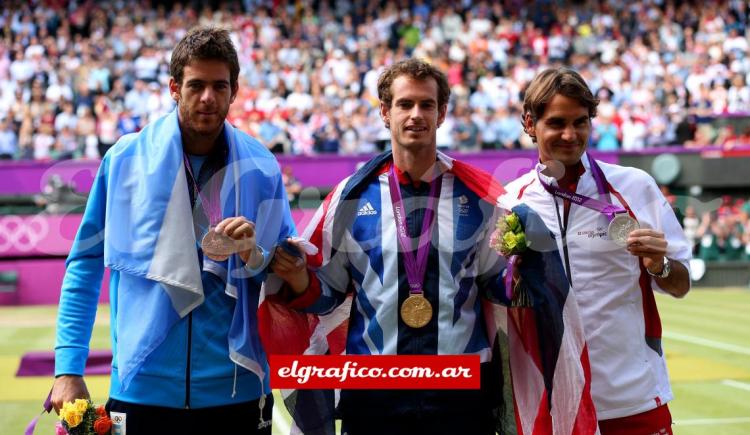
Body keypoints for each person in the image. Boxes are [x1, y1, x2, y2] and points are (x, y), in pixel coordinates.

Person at [50, 26, 296, 434]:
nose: (208, 98)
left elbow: (286, 271)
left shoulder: (261, 166)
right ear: (174, 88)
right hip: (142, 389)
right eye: (196, 85)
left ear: (234, 91)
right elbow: (85, 265)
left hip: (237, 389)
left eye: (220, 86)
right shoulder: (125, 160)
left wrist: (257, 253)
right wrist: (68, 367)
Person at [502, 67, 691, 435]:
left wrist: (659, 265)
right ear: (530, 123)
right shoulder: (509, 203)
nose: (570, 135)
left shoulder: (635, 187)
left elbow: (680, 284)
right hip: (553, 404)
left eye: (580, 122)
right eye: (557, 122)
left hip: (631, 395)